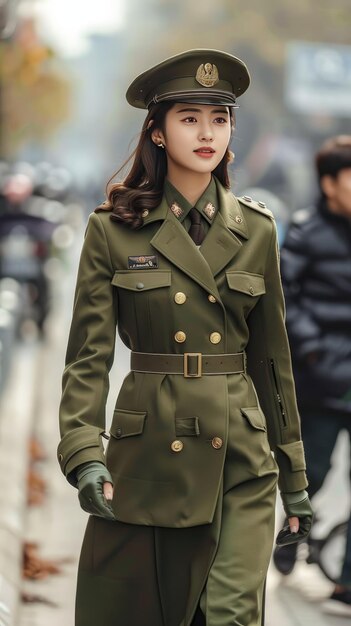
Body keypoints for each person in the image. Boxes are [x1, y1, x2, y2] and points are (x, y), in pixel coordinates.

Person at [57, 49, 312, 626]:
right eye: (190, 118)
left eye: (219, 119)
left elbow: (273, 361)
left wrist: (293, 475)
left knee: (230, 614)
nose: (207, 133)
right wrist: (83, 453)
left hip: (240, 458)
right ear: (157, 131)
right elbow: (88, 359)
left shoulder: (257, 231)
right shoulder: (112, 230)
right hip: (148, 454)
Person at [274, 135, 351, 617]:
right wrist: (315, 352)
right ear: (329, 183)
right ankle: (292, 533)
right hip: (322, 382)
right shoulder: (303, 231)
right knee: (312, 476)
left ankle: (347, 581)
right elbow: (286, 299)